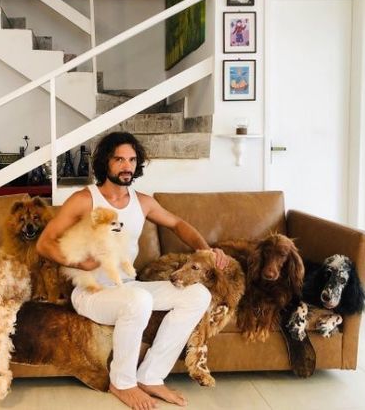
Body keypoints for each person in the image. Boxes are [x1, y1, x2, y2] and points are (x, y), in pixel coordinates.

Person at [37, 132, 226, 410]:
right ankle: (122, 383)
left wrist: (207, 250)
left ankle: (151, 376)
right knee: (139, 300)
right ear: (106, 162)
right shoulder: (84, 199)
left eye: (132, 160)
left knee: (197, 295)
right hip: (91, 293)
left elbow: (177, 224)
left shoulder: (143, 202)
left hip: (127, 286)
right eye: (119, 160)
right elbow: (44, 243)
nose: (127, 166)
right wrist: (79, 263)